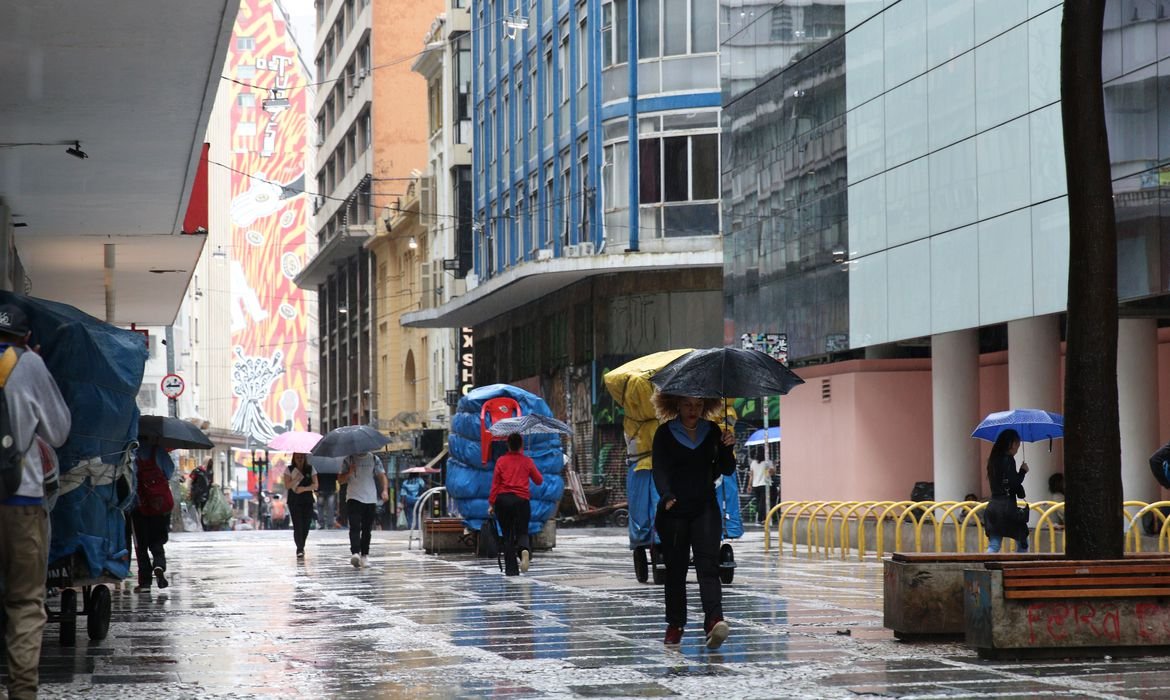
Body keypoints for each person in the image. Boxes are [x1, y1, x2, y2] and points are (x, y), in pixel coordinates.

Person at [0, 304, 70, 700]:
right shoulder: (28, 364)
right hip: (20, 500)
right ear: (26, 339)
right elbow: (58, 431)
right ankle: (22, 693)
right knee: (25, 601)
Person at [650, 393, 736, 650]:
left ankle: (714, 620)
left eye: (698, 405)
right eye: (688, 404)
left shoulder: (712, 431)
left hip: (705, 508)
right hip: (674, 508)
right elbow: (660, 468)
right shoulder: (664, 433)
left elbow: (725, 469)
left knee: (708, 567)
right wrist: (665, 495)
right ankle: (675, 625)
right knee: (676, 571)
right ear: (676, 404)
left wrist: (727, 448)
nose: (693, 409)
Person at [488, 433, 544, 576]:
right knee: (522, 531)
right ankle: (524, 549)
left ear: (508, 445)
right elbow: (539, 480)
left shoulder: (501, 461)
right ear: (521, 446)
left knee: (507, 535)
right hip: (521, 501)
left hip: (503, 500)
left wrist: (491, 504)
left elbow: (495, 484)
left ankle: (511, 570)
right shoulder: (527, 461)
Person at [132, 438, 176, 591]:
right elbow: (169, 472)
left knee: (141, 546)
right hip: (159, 505)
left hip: (138, 506)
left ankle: (145, 582)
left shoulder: (130, 450)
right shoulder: (158, 451)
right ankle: (159, 565)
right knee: (157, 540)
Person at [339, 452, 387, 568]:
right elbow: (340, 480)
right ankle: (355, 553)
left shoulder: (374, 459)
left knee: (367, 529)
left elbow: (382, 475)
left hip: (370, 498)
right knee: (355, 526)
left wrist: (384, 490)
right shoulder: (348, 459)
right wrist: (349, 472)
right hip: (353, 497)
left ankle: (365, 555)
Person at [984, 429, 1029, 553]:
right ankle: (1019, 570)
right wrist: (1023, 471)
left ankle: (986, 568)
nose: (1017, 449)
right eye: (1018, 445)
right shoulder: (1008, 459)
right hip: (1007, 509)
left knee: (994, 545)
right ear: (1012, 444)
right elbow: (1013, 483)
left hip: (993, 507)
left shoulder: (993, 459)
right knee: (1023, 541)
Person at [282, 452, 317, 558]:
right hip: (294, 501)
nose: (300, 459)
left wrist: (304, 489)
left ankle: (302, 545)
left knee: (306, 525)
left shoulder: (310, 469)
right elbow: (287, 485)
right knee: (298, 525)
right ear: (294, 458)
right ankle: (300, 548)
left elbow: (315, 485)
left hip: (307, 500)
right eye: (297, 457)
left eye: (302, 457)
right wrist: (296, 479)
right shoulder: (289, 469)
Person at [749, 447, 774, 524]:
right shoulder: (768, 462)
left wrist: (749, 485)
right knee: (764, 502)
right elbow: (772, 473)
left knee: (759, 502)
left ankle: (761, 518)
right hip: (764, 484)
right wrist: (773, 467)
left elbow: (751, 475)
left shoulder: (753, 463)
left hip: (755, 485)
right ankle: (762, 519)